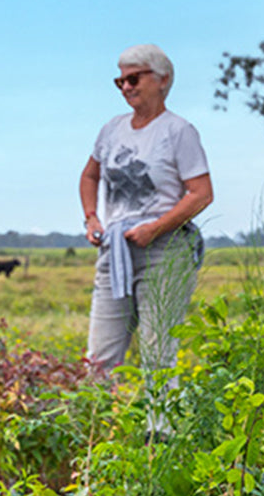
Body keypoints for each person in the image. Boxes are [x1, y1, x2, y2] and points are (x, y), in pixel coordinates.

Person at [79, 45, 213, 420]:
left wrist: (155, 228)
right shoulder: (111, 130)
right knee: (100, 355)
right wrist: (92, 219)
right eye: (119, 79)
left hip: (164, 251)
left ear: (163, 80)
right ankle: (94, 436)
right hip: (115, 251)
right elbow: (89, 175)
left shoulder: (178, 131)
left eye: (134, 78)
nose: (125, 86)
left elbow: (201, 193)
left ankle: (159, 438)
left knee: (157, 351)